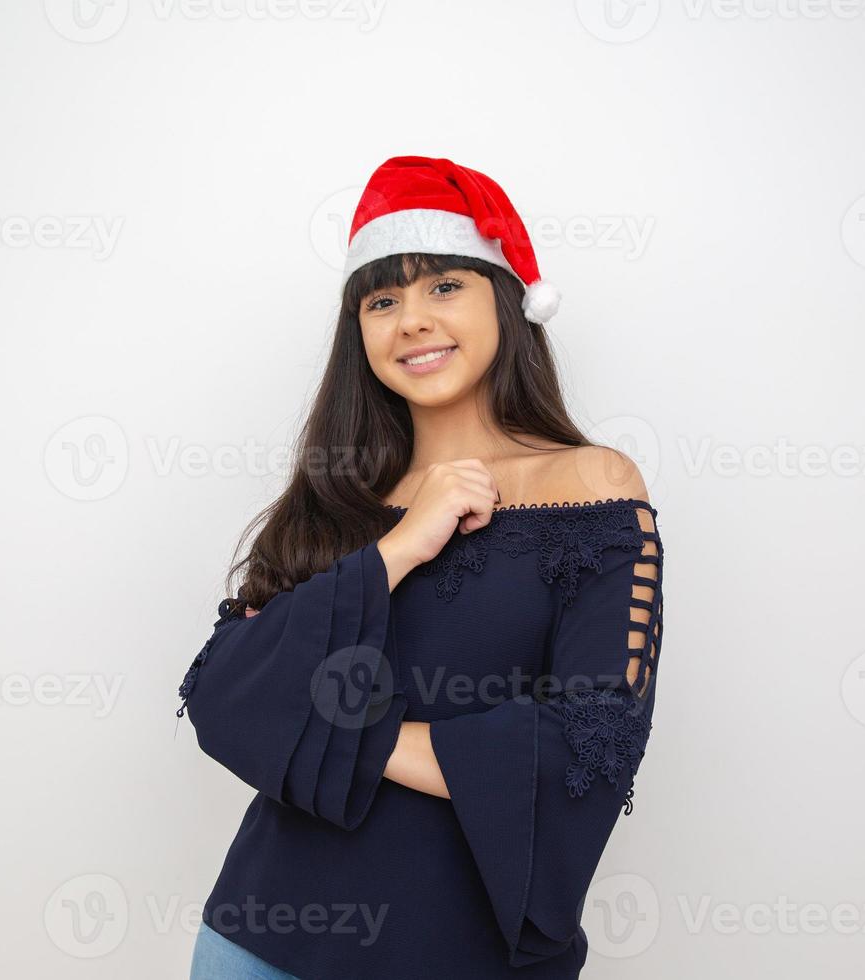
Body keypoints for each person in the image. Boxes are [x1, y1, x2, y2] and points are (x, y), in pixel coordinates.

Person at [180, 155, 663, 979]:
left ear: (506, 303)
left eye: (444, 286)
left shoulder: (592, 485)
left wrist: (338, 733)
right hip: (258, 943)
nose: (410, 320)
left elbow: (594, 742)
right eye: (382, 299)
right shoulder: (335, 495)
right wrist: (400, 547)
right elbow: (223, 694)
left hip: (463, 954)